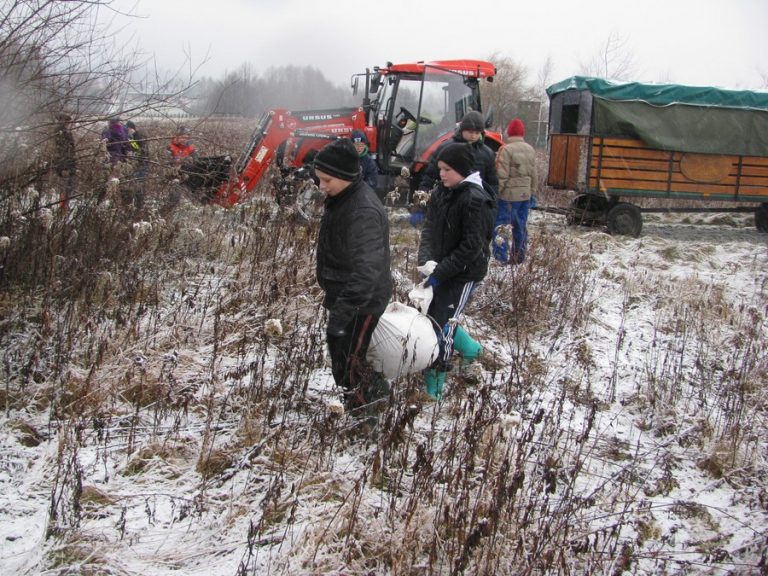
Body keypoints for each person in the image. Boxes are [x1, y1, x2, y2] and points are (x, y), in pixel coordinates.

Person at [313, 138, 392, 412]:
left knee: (348, 362)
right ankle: (374, 393)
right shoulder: (342, 197)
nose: (321, 186)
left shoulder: (362, 211)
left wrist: (343, 312)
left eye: (326, 180)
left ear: (346, 176)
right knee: (342, 356)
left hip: (362, 301)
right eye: (318, 179)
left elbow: (367, 271)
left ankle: (365, 413)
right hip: (345, 295)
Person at [417, 143, 496, 399]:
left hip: (464, 273)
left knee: (442, 326)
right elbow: (429, 227)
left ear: (462, 170)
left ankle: (435, 387)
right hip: (439, 267)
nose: (441, 174)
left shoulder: (476, 200)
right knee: (431, 315)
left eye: (447, 169)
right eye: (440, 168)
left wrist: (442, 272)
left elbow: (471, 247)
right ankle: (471, 348)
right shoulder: (442, 191)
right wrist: (425, 260)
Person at [411, 110, 499, 227]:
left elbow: (492, 184)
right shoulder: (446, 148)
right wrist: (420, 206)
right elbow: (429, 177)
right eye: (470, 132)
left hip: (475, 206)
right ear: (462, 130)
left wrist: (491, 210)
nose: (473, 136)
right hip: (448, 203)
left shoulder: (487, 154)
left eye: (477, 133)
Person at [493, 118, 538, 264]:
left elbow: (502, 175)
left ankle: (500, 257)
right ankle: (518, 257)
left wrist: (495, 194)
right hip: (525, 196)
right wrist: (532, 192)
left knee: (502, 226)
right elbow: (534, 174)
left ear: (509, 133)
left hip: (508, 197)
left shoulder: (506, 149)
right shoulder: (530, 149)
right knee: (520, 227)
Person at [52, 113, 76, 209]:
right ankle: (63, 206)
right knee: (66, 185)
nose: (69, 123)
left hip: (67, 162)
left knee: (68, 185)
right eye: (68, 121)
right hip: (65, 163)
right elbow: (64, 150)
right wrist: (65, 167)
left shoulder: (63, 131)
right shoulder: (62, 133)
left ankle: (64, 205)